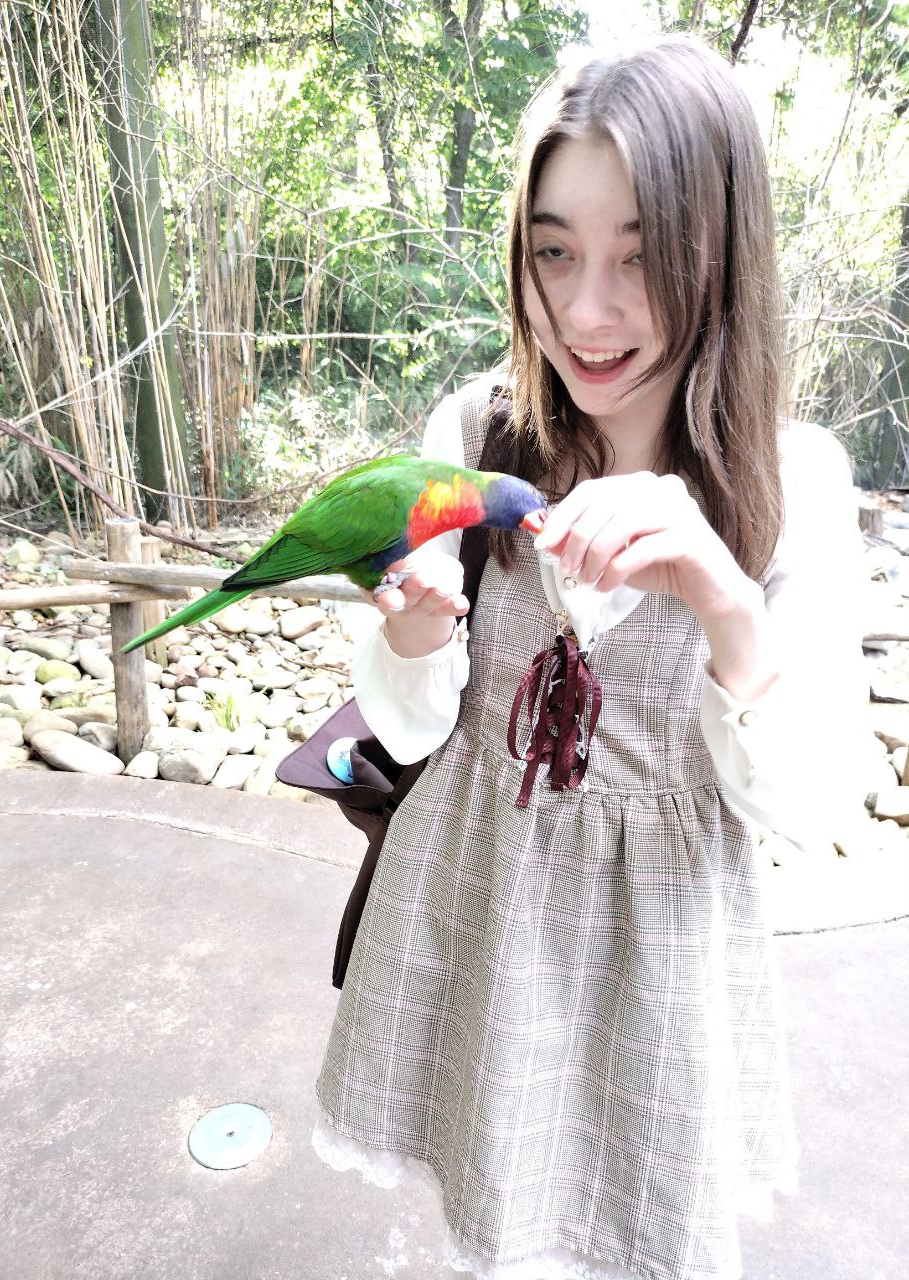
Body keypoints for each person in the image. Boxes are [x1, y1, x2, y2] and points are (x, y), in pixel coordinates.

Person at [312, 33, 870, 1280]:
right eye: (553, 251)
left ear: (721, 256)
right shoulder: (476, 428)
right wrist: (414, 632)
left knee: (632, 1229)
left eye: (642, 256)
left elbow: (808, 803)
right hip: (480, 910)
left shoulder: (795, 481)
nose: (584, 311)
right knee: (492, 1206)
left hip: (659, 960)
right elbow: (410, 725)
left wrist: (727, 605)